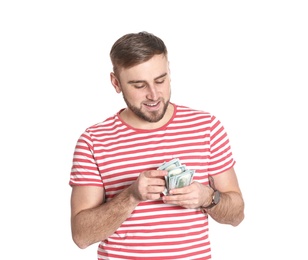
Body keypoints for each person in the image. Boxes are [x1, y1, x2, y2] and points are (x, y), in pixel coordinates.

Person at [69, 31, 245, 260]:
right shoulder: (93, 141)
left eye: (160, 80)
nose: (154, 95)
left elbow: (237, 214)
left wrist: (208, 198)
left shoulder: (207, 128)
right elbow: (81, 236)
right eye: (139, 85)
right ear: (116, 83)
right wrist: (131, 196)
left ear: (169, 72)